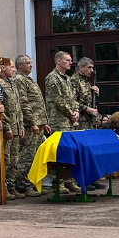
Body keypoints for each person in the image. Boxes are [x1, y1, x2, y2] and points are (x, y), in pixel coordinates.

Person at [44, 51, 82, 193]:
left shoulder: (67, 78)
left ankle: (68, 180)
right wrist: (71, 113)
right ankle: (57, 182)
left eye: (71, 60)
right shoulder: (53, 78)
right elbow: (58, 100)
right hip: (58, 121)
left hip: (70, 121)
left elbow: (73, 99)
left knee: (70, 152)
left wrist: (76, 111)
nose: (70, 62)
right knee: (59, 152)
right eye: (67, 60)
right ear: (58, 61)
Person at [12, 55, 48, 198]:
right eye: (28, 63)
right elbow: (24, 103)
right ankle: (24, 185)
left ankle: (32, 183)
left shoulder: (28, 79)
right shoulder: (19, 80)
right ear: (20, 66)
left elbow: (37, 102)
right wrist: (32, 122)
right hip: (30, 124)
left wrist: (44, 122)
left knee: (34, 155)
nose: (31, 65)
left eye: (31, 62)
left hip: (38, 122)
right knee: (27, 155)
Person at [0, 59, 26, 200]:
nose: (14, 70)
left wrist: (20, 125)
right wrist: (7, 126)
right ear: (2, 68)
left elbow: (17, 108)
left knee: (14, 160)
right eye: (11, 67)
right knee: (4, 160)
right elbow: (1, 109)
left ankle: (10, 186)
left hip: (16, 127)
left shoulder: (12, 83)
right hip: (7, 129)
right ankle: (1, 188)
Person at [71, 57, 99, 130]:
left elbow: (89, 101)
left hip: (90, 119)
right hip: (80, 120)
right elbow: (72, 101)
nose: (91, 70)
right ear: (80, 67)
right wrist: (87, 109)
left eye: (92, 68)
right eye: (89, 67)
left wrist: (96, 94)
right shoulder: (74, 80)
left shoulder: (87, 81)